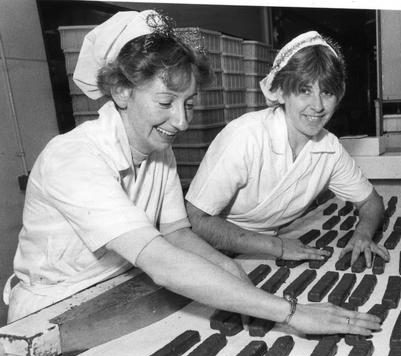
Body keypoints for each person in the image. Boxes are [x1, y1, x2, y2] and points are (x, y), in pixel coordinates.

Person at [3, 10, 381, 336]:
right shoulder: (73, 157)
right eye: (166, 102)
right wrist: (292, 313)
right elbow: (162, 262)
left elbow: (177, 234)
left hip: (123, 291)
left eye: (189, 104)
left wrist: (230, 269)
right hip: (51, 313)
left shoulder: (158, 151)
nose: (181, 121)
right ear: (120, 90)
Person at [185, 31, 389, 268]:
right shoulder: (246, 136)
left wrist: (362, 235)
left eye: (327, 92)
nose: (318, 106)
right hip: (210, 251)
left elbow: (371, 201)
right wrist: (277, 247)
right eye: (305, 90)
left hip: (257, 255)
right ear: (281, 91)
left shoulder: (329, 148)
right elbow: (196, 220)